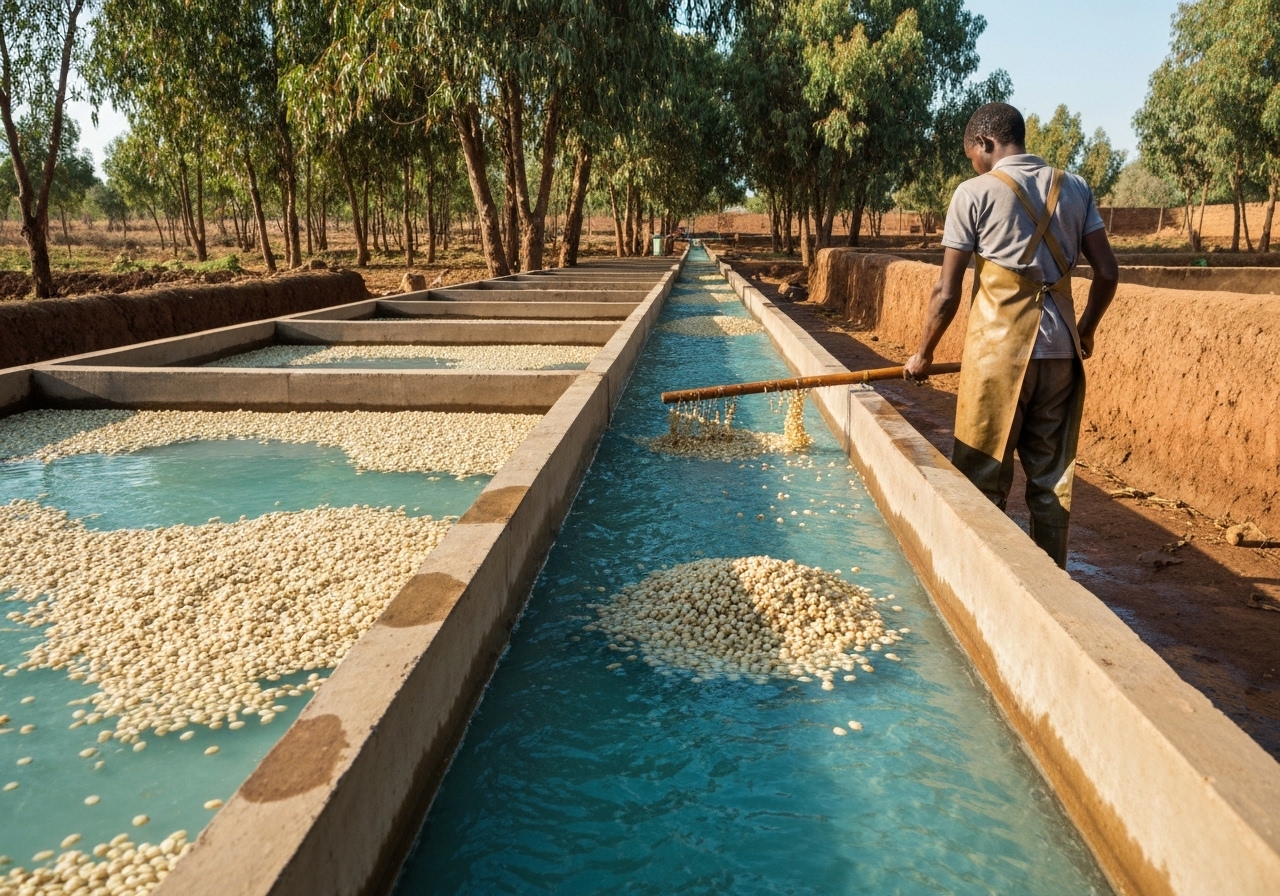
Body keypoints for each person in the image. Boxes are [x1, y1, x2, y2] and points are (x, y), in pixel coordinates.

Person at [904, 103, 1119, 568]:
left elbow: (946, 290)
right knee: (1050, 481)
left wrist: (922, 354)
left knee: (983, 476)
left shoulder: (974, 193)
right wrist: (1086, 331)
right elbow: (1107, 271)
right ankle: (1051, 588)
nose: (975, 165)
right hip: (1062, 355)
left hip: (999, 358)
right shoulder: (1076, 188)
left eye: (974, 155)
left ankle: (980, 576)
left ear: (985, 144)